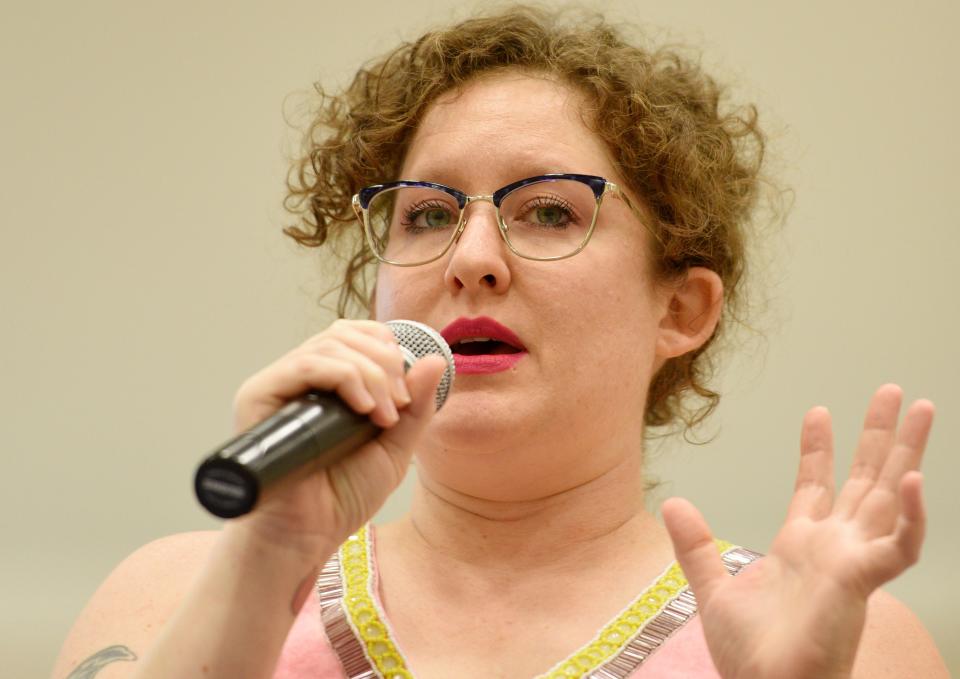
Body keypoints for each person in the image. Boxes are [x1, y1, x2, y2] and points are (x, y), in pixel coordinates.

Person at [52, 6, 948, 679]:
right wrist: (263, 557)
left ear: (681, 308)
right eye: (429, 213)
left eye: (550, 210)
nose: (472, 259)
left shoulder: (853, 638)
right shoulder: (170, 594)